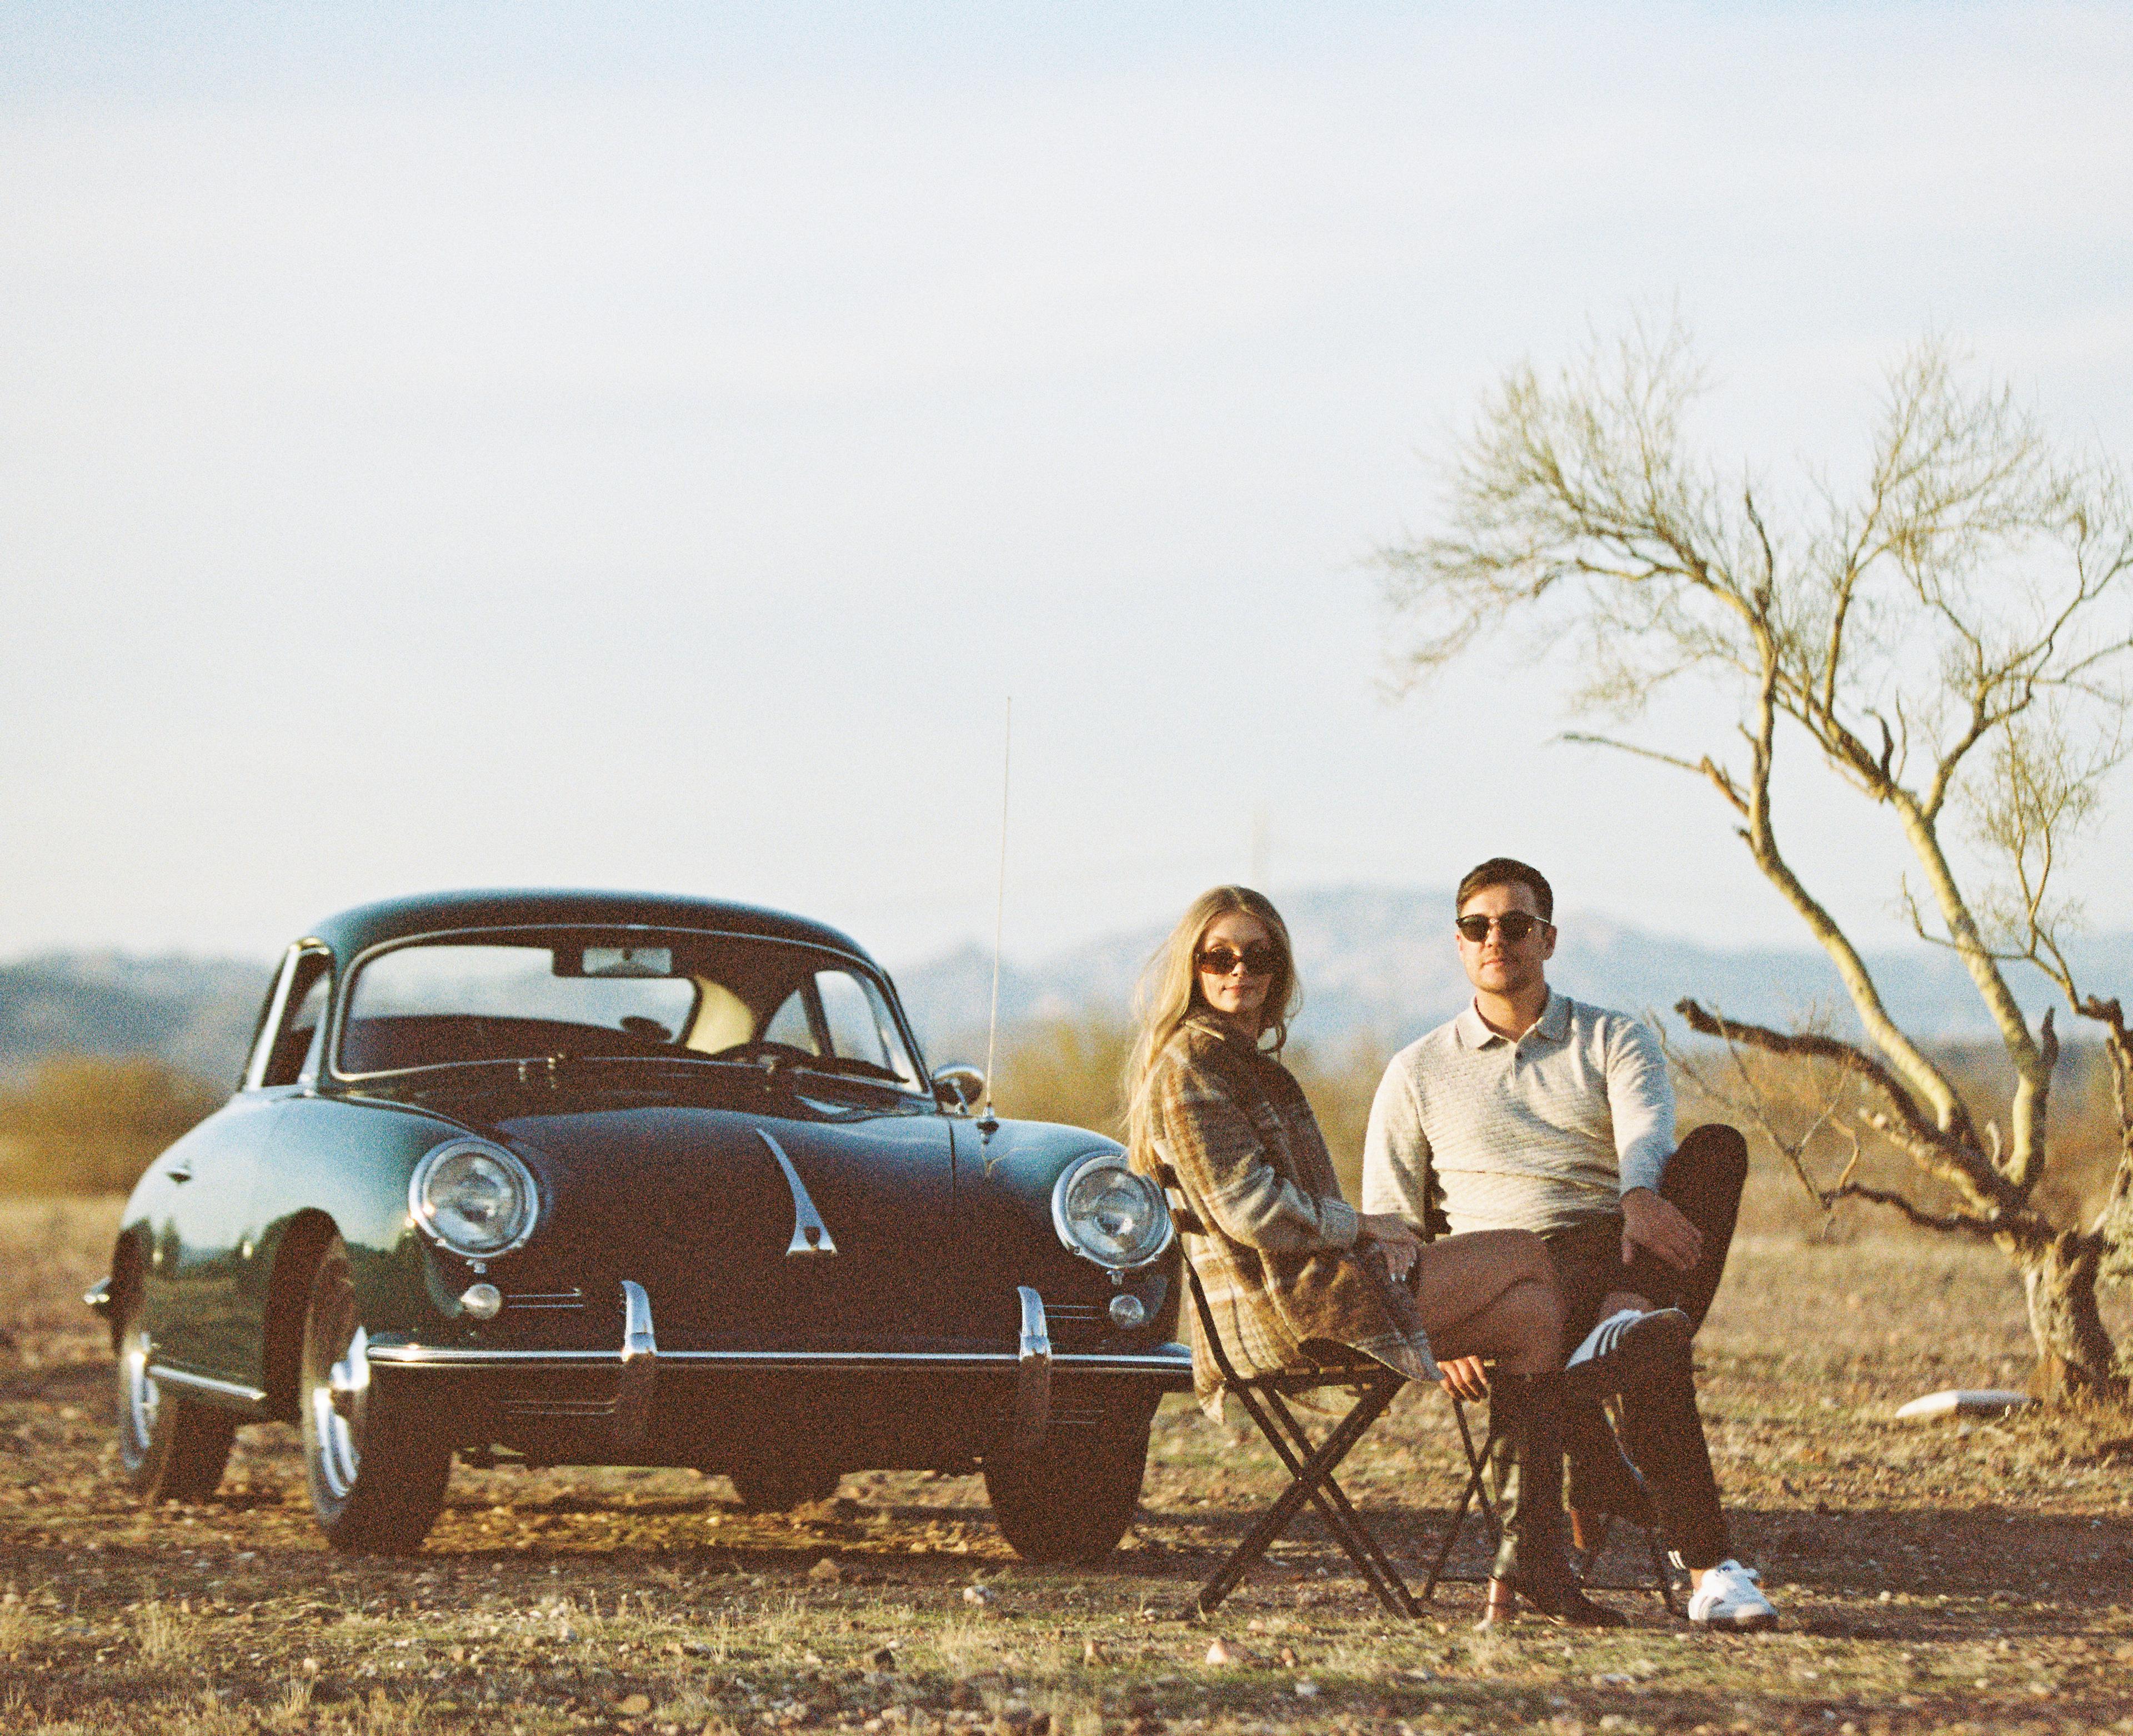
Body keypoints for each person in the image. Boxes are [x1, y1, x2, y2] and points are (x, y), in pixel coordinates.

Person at [1125, 885, 1680, 1625]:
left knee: (1530, 1316)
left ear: (1279, 968)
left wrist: (1365, 1235)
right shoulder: (1193, 1064)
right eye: (1219, 956)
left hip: (1314, 1290)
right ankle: (1602, 1467)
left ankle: (1537, 1561)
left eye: (1258, 955)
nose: (1239, 971)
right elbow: (1250, 1208)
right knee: (1526, 1256)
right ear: (1192, 967)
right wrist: (1362, 1226)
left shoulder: (1246, 1062)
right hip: (1287, 1310)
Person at [1361, 857, 1779, 1630]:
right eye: (1479, 926)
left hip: (1613, 1251)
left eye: (1516, 924)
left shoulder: (1613, 1037)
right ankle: (1710, 1562)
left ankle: (1627, 1322)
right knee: (1651, 1345)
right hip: (1501, 1285)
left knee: (1715, 1148)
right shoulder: (1414, 1069)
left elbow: (1646, 1130)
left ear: (1548, 938)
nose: (1498, 939)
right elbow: (1390, 1221)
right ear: (1458, 945)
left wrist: (1637, 1200)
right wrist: (1444, 1319)